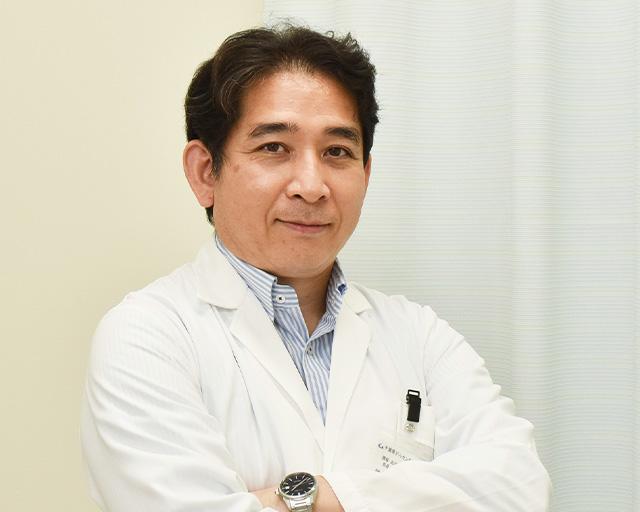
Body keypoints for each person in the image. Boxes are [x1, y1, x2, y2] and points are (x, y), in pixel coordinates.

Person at [80, 25, 551, 512]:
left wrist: (304, 498)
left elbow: (519, 487)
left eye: (337, 152)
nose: (311, 185)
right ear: (205, 172)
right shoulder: (146, 337)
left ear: (365, 174)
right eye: (274, 147)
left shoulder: (420, 335)